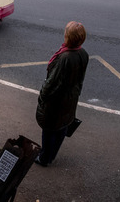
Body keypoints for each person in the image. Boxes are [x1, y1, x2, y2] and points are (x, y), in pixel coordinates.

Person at [35, 21, 89, 166]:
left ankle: (44, 158)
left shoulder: (64, 58)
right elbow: (80, 79)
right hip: (71, 99)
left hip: (56, 102)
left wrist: (42, 97)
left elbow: (52, 83)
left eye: (66, 32)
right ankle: (52, 155)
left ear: (68, 37)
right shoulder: (83, 53)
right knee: (62, 127)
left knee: (49, 129)